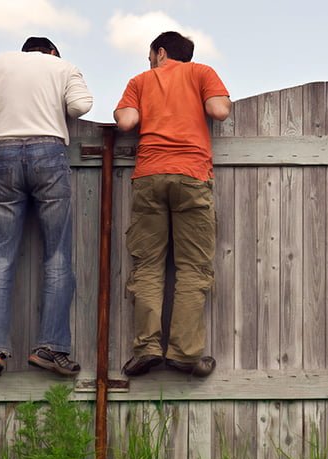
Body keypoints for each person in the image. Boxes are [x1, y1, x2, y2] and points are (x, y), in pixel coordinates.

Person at [0, 37, 93, 378]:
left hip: (4, 154)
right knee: (57, 255)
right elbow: (81, 107)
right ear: (51, 52)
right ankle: (50, 348)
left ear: (25, 51)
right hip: (49, 153)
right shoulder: (64, 67)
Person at [113, 31, 231, 378]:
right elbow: (219, 110)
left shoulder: (140, 81)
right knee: (192, 267)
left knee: (147, 266)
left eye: (150, 55)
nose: (149, 61)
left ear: (160, 52)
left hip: (149, 176)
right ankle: (184, 353)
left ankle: (147, 347)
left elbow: (126, 122)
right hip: (192, 176)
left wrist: (126, 105)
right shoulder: (202, 73)